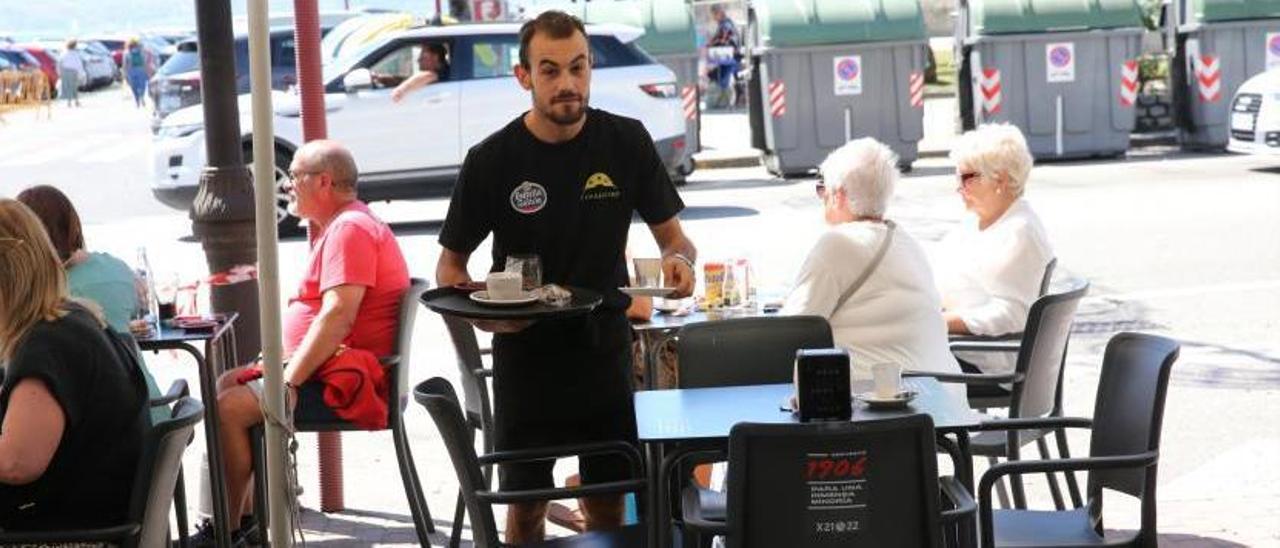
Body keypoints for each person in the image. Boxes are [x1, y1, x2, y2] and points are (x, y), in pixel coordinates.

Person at [435, 11, 696, 543]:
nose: (567, 83)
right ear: (523, 76)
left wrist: (681, 263)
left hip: (603, 356)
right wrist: (489, 321)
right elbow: (450, 269)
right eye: (550, 71)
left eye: (577, 67)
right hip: (526, 361)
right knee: (526, 512)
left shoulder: (625, 142)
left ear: (591, 68)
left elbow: (675, 238)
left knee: (606, 508)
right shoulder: (492, 160)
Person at [190, 140, 410, 544]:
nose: (288, 184)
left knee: (227, 408)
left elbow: (337, 317)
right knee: (227, 385)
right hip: (329, 370)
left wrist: (288, 380)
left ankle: (228, 531)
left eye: (295, 176)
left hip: (344, 381)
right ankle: (249, 521)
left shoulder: (350, 229)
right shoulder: (347, 224)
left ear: (323, 181)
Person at [0, 199, 149, 531]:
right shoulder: (75, 318)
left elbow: (16, 463)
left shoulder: (46, 345)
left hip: (72, 530)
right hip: (99, 514)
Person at [782, 138, 964, 401]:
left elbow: (793, 331)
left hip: (879, 410)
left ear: (839, 195)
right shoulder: (905, 240)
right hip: (942, 401)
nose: (822, 198)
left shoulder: (838, 243)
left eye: (823, 189)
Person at [14, 184, 164, 403]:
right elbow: (137, 315)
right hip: (148, 405)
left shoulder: (43, 294)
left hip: (98, 420)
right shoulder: (117, 268)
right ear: (72, 225)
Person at [934, 123, 1053, 377]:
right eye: (958, 178)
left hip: (988, 360)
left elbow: (1013, 314)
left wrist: (939, 322)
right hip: (959, 346)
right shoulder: (977, 221)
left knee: (890, 360)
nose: (959, 187)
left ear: (1001, 180)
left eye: (967, 177)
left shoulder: (1020, 231)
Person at [373, 42, 450, 103]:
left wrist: (401, 90)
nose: (418, 60)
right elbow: (407, 80)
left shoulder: (442, 72)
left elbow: (429, 76)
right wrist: (381, 78)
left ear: (435, 57)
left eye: (422, 56)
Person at [705, 4, 740, 109]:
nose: (714, 19)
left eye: (714, 16)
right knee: (720, 79)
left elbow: (722, 41)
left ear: (719, 13)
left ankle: (720, 102)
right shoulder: (725, 25)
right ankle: (723, 102)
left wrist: (710, 46)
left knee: (720, 79)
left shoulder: (726, 26)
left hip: (727, 58)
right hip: (726, 57)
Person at [121, 37, 153, 108]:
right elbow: (124, 64)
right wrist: (124, 74)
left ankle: (141, 98)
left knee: (142, 86)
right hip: (132, 71)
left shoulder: (142, 51)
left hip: (140, 70)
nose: (135, 47)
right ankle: (137, 100)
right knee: (134, 87)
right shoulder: (126, 53)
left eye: (136, 45)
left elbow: (146, 62)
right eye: (134, 45)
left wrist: (148, 72)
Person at [58, 39, 85, 108]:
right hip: (74, 71)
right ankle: (76, 101)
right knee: (74, 87)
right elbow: (78, 64)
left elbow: (60, 63)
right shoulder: (76, 54)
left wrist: (59, 72)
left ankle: (69, 102)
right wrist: (81, 73)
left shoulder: (64, 53)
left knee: (67, 87)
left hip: (65, 71)